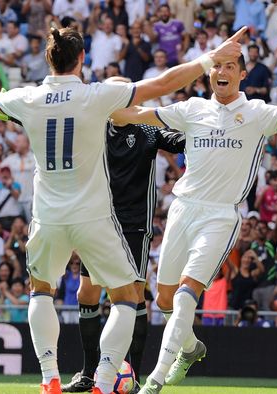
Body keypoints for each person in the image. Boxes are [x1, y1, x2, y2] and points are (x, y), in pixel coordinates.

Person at [0, 25, 245, 394]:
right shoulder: (96, 97)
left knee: (40, 290)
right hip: (93, 218)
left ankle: (48, 376)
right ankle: (104, 380)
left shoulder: (30, 98)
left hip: (47, 216)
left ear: (48, 59)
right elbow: (163, 83)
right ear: (82, 59)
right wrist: (207, 59)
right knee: (125, 296)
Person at [112, 56, 277, 392]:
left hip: (220, 216)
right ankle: (190, 349)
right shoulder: (190, 109)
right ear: (209, 73)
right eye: (217, 66)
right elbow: (131, 115)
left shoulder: (257, 114)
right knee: (164, 301)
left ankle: (155, 380)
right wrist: (100, 103)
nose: (222, 72)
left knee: (185, 296)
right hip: (181, 209)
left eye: (230, 67)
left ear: (242, 74)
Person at [62, 94, 185, 391]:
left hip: (133, 226)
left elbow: (181, 140)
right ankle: (89, 373)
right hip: (99, 222)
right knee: (87, 294)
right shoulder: (94, 127)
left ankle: (135, 377)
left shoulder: (148, 130)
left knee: (133, 295)